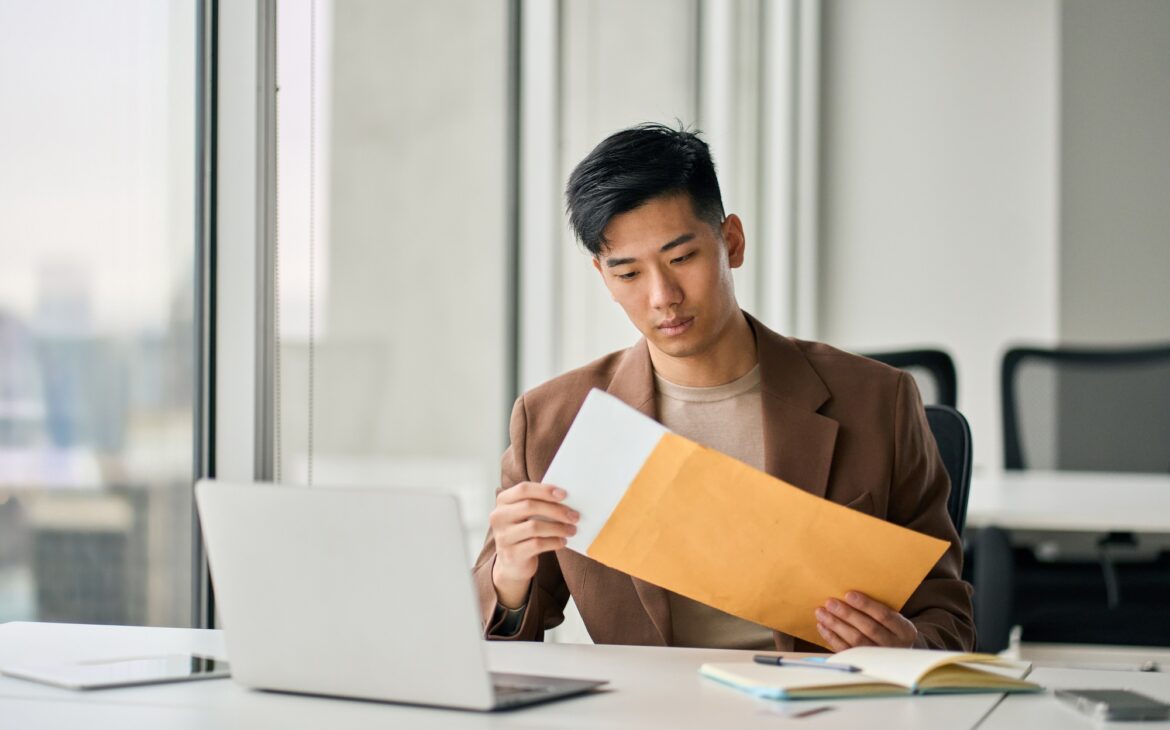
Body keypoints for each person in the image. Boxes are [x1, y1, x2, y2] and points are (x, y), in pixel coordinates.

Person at [472, 123, 974, 652]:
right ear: (603, 276)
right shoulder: (554, 420)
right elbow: (499, 643)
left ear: (731, 242)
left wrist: (909, 647)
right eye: (628, 275)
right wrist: (509, 579)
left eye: (682, 258)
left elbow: (949, 615)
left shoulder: (879, 401)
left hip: (823, 709)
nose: (662, 296)